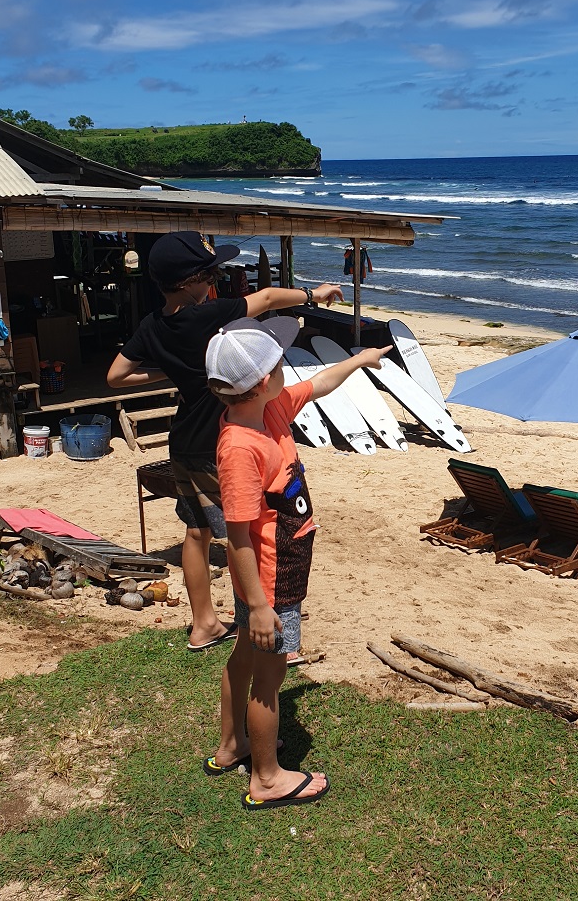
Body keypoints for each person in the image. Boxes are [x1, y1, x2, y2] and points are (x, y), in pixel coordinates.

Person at [106, 231, 343, 652]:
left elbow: (116, 377)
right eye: (209, 273)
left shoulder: (152, 325)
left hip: (182, 444)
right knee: (244, 533)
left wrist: (173, 370)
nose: (213, 280)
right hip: (219, 444)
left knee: (196, 534)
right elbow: (268, 298)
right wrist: (314, 293)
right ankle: (258, 617)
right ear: (190, 281)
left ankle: (203, 624)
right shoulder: (209, 315)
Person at [202, 315, 390, 810]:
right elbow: (237, 536)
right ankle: (266, 779)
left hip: (272, 574)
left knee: (244, 657)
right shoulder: (240, 447)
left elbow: (319, 383)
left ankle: (231, 746)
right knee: (270, 675)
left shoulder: (269, 409)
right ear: (264, 381)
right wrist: (262, 605)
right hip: (270, 578)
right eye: (280, 361)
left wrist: (360, 360)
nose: (288, 367)